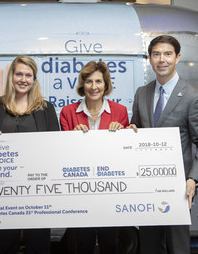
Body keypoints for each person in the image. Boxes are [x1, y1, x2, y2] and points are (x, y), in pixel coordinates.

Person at [130, 35, 198, 254]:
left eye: (168, 54)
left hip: (178, 187)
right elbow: (137, 131)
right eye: (156, 54)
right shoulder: (142, 93)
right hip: (147, 184)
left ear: (177, 57)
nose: (162, 60)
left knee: (178, 247)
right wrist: (130, 133)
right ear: (149, 58)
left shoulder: (192, 97)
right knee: (149, 246)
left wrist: (193, 179)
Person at [0, 55, 59, 254]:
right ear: (11, 77)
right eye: (19, 74)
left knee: (39, 245)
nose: (23, 79)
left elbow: (57, 149)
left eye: (28, 75)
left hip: (38, 190)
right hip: (4, 191)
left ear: (34, 79)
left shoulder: (46, 109)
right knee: (6, 244)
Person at [60, 60, 130, 254]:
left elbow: (125, 152)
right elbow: (64, 152)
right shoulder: (67, 112)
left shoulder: (120, 112)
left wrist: (125, 132)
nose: (93, 87)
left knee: (110, 243)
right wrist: (72, 136)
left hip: (110, 187)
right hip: (80, 188)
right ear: (83, 85)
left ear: (106, 85)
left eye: (98, 82)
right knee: (82, 243)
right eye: (89, 81)